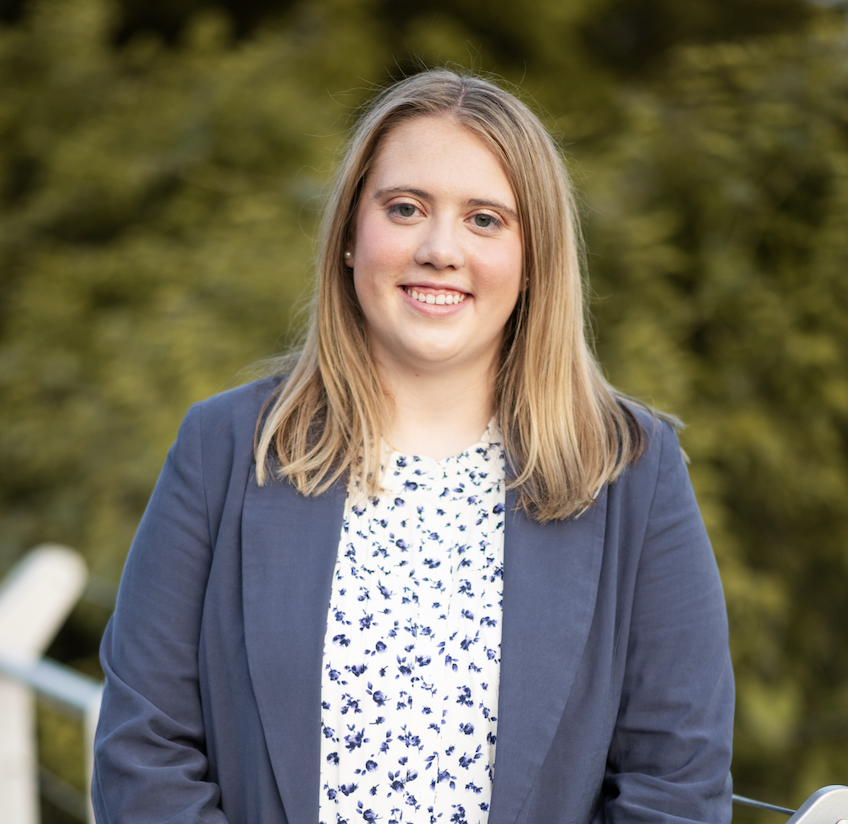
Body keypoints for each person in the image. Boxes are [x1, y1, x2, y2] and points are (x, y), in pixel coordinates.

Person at [92, 69, 734, 824]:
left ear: (535, 263)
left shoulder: (634, 472)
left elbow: (678, 787)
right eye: (405, 208)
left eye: (486, 220)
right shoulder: (226, 449)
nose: (439, 248)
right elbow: (143, 753)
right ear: (349, 240)